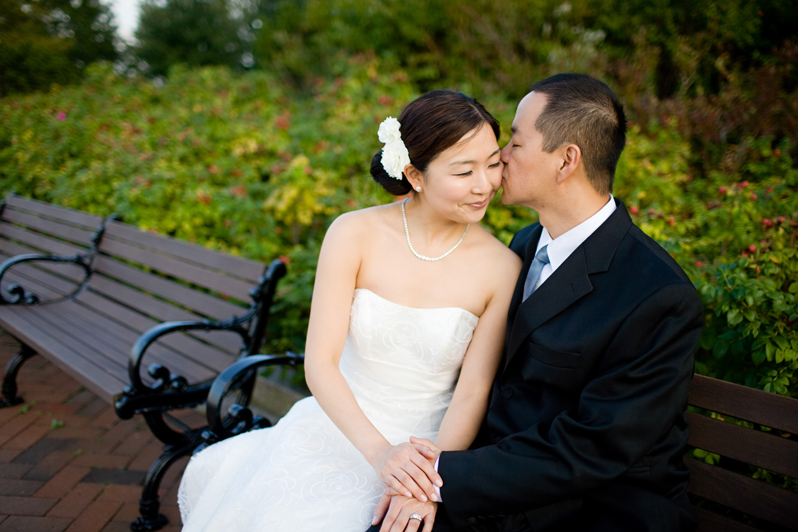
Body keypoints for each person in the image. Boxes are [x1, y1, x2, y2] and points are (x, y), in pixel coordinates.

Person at [370, 74, 704, 532]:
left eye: (515, 141)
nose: (500, 156)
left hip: (594, 508)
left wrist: (436, 480)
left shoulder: (658, 295)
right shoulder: (525, 245)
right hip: (502, 484)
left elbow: (591, 449)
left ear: (566, 161)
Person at [176, 90, 522, 531]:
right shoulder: (353, 233)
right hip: (338, 427)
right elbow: (319, 363)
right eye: (464, 171)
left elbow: (472, 392)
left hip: (428, 446)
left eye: (493, 163)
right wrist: (380, 453)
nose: (485, 184)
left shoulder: (502, 267)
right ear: (415, 174)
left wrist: (427, 480)